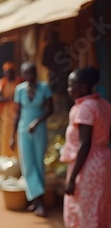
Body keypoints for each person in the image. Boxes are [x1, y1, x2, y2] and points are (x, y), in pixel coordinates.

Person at [60, 67, 111, 227]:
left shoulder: (84, 108)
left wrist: (72, 178)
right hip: (103, 161)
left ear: (83, 87)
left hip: (87, 165)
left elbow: (85, 143)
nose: (69, 89)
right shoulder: (104, 104)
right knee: (99, 207)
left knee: (83, 209)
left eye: (72, 85)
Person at [11, 62, 53, 217]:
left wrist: (37, 121)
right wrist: (12, 135)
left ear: (36, 73)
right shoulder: (20, 89)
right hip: (23, 131)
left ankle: (38, 201)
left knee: (38, 164)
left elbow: (50, 109)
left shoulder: (44, 88)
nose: (29, 77)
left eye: (31, 73)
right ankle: (37, 200)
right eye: (26, 74)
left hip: (39, 130)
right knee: (27, 165)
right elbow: (17, 113)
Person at [0, 62, 22, 157]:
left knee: (17, 134)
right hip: (6, 113)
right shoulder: (2, 82)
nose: (9, 74)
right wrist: (9, 99)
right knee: (6, 134)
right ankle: (5, 156)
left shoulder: (19, 81)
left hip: (17, 111)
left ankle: (17, 158)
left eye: (11, 72)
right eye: (7, 72)